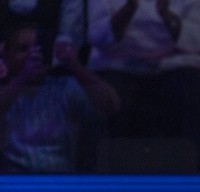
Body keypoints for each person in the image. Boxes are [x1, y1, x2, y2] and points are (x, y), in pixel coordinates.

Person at [86, 0, 200, 171]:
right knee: (107, 100)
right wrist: (128, 9)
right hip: (117, 63)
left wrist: (167, 16)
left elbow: (199, 41)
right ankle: (105, 180)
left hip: (173, 63)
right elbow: (97, 37)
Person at [0, 18, 120, 173]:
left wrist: (75, 66)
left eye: (38, 48)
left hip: (59, 182)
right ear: (6, 56)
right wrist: (23, 80)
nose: (32, 55)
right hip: (12, 182)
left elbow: (111, 105)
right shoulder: (6, 91)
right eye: (23, 49)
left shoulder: (64, 87)